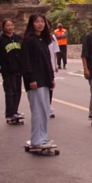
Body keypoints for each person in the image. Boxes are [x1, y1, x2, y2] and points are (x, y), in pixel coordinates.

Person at [20, 14, 56, 149]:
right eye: (37, 22)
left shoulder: (44, 40)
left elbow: (47, 61)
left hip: (45, 79)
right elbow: (26, 61)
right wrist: (30, 79)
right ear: (32, 24)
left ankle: (43, 137)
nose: (40, 24)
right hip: (35, 80)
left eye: (42, 22)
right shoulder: (28, 40)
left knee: (45, 110)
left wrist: (51, 78)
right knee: (37, 110)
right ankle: (36, 139)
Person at [0, 18, 24, 122]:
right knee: (10, 91)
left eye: (11, 25)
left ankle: (15, 111)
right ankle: (10, 112)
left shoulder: (18, 38)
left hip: (18, 69)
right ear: (3, 27)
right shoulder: (1, 40)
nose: (10, 27)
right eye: (7, 25)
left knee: (18, 91)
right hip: (8, 70)